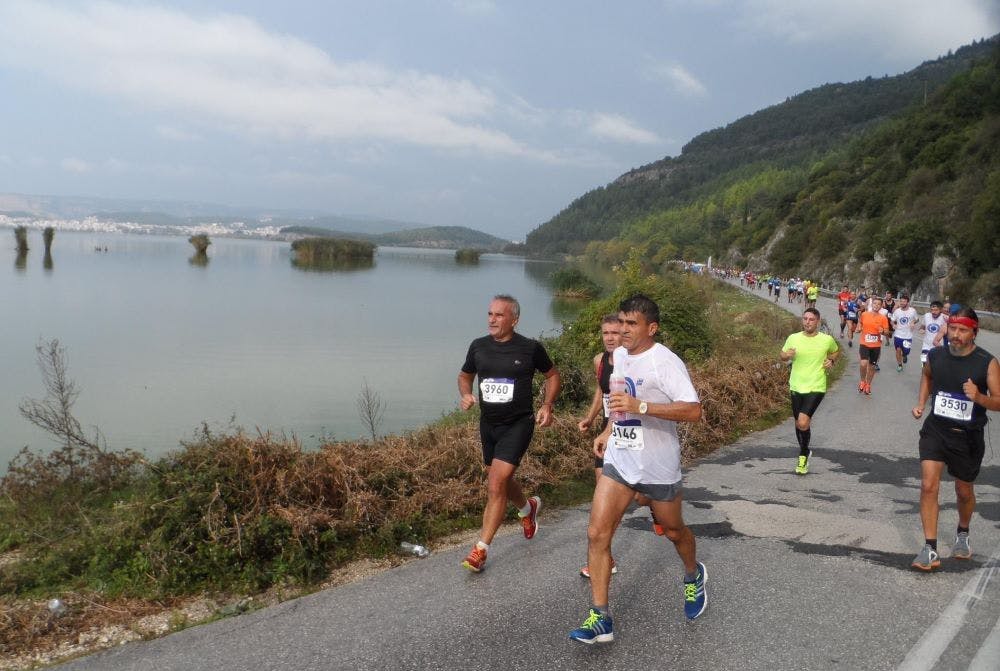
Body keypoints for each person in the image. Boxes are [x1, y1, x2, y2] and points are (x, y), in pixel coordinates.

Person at [569, 294, 705, 645]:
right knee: (597, 533)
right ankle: (600, 616)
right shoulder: (619, 357)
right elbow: (620, 404)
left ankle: (693, 577)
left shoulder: (665, 362)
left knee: (675, 532)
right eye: (621, 323)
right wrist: (608, 430)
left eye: (632, 324)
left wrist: (641, 405)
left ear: (651, 328)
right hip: (621, 459)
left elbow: (692, 411)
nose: (623, 330)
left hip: (658, 465)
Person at [457, 294, 561, 573]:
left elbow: (552, 375)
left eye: (499, 315)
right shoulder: (478, 346)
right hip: (488, 424)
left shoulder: (529, 348)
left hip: (518, 423)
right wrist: (466, 394)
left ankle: (480, 550)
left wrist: (547, 405)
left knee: (495, 484)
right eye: (490, 314)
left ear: (514, 319)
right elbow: (465, 375)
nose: (492, 319)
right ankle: (528, 509)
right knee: (501, 477)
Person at [910, 308, 1000, 570]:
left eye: (962, 330)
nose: (956, 335)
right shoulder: (936, 355)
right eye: (952, 329)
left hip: (967, 437)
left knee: (963, 491)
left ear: (974, 332)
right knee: (928, 486)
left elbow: (998, 400)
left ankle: (962, 532)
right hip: (935, 430)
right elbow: (927, 376)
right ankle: (930, 548)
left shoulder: (987, 362)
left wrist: (979, 397)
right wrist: (920, 403)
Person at [577, 315, 622, 579]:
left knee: (637, 496)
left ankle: (655, 506)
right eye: (605, 333)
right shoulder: (600, 360)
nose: (609, 337)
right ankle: (605, 555)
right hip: (606, 435)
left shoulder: (632, 362)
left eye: (614, 332)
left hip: (627, 434)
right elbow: (600, 391)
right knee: (602, 498)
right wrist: (591, 417)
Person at [780, 308, 839, 474]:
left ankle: (802, 455)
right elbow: (782, 355)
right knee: (799, 423)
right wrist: (787, 356)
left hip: (816, 386)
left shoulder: (826, 340)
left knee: (803, 422)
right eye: (805, 319)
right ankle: (805, 450)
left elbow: (835, 352)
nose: (807, 322)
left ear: (818, 321)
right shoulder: (793, 338)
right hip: (796, 385)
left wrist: (831, 361)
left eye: (811, 319)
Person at [857, 296, 890, 395]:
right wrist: (859, 328)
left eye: (879, 304)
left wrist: (883, 331)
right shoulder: (864, 314)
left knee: (872, 367)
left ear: (881, 306)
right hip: (864, 343)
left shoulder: (883, 318)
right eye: (875, 303)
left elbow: (887, 332)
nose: (876, 305)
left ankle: (868, 384)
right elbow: (860, 324)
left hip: (876, 346)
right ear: (872, 304)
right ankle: (862, 381)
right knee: (863, 363)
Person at [891, 295, 919, 371]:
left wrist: (913, 322)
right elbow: (892, 320)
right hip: (898, 334)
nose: (902, 303)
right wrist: (893, 324)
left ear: (908, 302)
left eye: (904, 301)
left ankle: (905, 355)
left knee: (906, 351)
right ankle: (900, 365)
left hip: (908, 336)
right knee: (898, 350)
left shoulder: (912, 310)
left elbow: (917, 319)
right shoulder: (897, 311)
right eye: (901, 301)